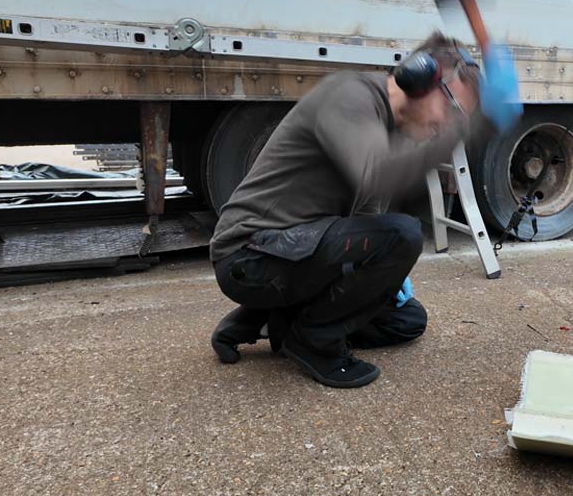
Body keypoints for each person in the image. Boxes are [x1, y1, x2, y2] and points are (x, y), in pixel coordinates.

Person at [208, 32, 522, 388]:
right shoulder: (348, 95)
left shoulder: (394, 127)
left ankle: (268, 322)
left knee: (407, 320)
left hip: (297, 252)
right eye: (453, 110)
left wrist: (381, 280)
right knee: (404, 235)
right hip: (250, 256)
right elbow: (377, 176)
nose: (446, 125)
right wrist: (472, 127)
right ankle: (314, 341)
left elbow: (368, 215)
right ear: (420, 80)